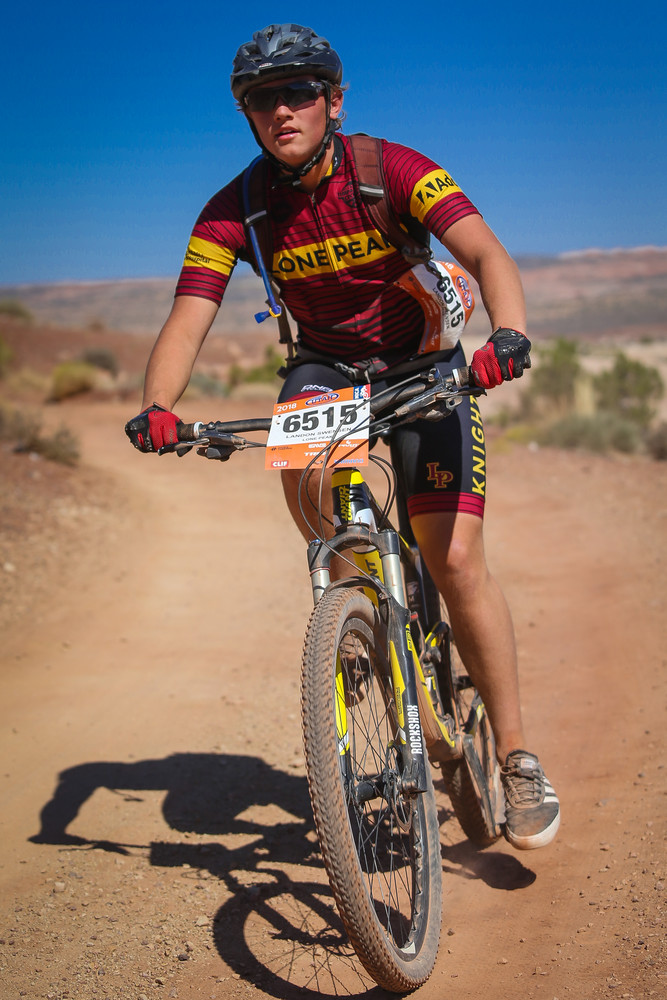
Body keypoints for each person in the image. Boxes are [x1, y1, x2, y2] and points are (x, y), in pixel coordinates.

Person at [125, 23, 560, 851]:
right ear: (247, 115)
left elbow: (484, 251)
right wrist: (157, 405)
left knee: (455, 559)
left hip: (424, 365)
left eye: (298, 93)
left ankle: (516, 758)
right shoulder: (234, 209)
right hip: (327, 369)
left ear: (333, 101)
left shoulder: (390, 169)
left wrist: (506, 333)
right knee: (299, 462)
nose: (281, 110)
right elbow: (189, 314)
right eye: (263, 99)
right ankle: (356, 602)